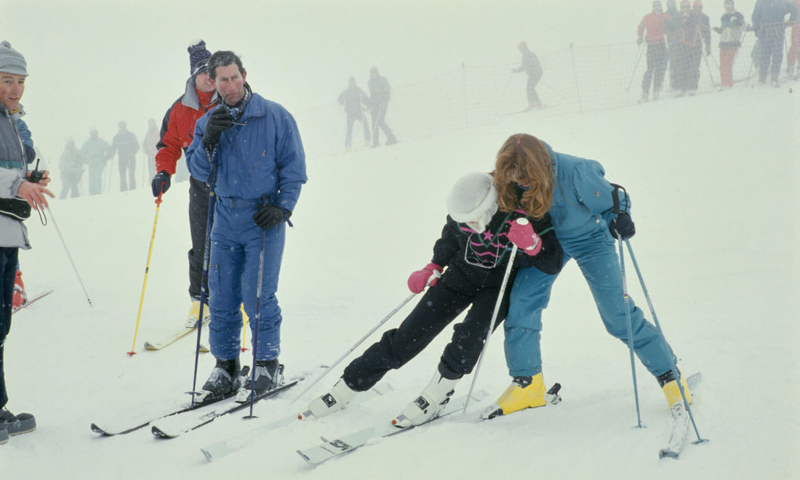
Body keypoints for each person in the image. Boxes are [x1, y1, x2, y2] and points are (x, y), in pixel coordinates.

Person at [301, 172, 563, 427]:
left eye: (473, 220)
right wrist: (434, 264)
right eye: (463, 220)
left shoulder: (527, 211)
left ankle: (439, 392)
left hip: (498, 287)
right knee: (409, 334)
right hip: (460, 277)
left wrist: (533, 244)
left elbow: (552, 262)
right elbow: (450, 237)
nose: (468, 225)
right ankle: (349, 384)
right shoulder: (464, 210)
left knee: (468, 338)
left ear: (490, 206)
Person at [487, 133, 692, 419]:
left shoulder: (576, 172)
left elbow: (615, 200)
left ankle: (669, 373)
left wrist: (619, 217)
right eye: (513, 177)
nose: (520, 183)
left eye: (525, 177)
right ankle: (528, 383)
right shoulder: (511, 177)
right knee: (522, 302)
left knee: (616, 315)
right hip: (546, 246)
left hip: (590, 241)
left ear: (538, 166)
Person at [186, 50, 307, 403]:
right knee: (221, 295)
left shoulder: (274, 116)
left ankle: (267, 361)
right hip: (224, 218)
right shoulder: (207, 120)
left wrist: (283, 208)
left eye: (234, 77)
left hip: (262, 219)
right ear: (213, 83)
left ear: (244, 74)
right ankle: (225, 365)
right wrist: (207, 139)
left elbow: (294, 168)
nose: (230, 85)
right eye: (222, 79)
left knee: (256, 295)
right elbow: (196, 171)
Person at [0, 41, 55, 443]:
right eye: (7, 80)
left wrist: (28, 182)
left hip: (6, 233)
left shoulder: (11, 120)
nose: (16, 89)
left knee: (1, 323)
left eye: (20, 82)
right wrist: (16, 184)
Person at [150, 40, 217, 329]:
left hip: (232, 184)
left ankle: (236, 297)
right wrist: (164, 173)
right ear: (194, 76)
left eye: (212, 71)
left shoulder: (228, 99)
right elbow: (168, 145)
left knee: (232, 242)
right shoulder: (179, 110)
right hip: (200, 184)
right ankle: (200, 300)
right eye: (203, 72)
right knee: (201, 242)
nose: (209, 77)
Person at [752, 0, 799, 86]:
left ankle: (774, 78)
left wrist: (790, 22)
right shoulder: (760, 2)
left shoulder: (782, 2)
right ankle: (762, 78)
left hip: (778, 33)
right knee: (764, 56)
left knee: (777, 55)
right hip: (764, 33)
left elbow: (795, 10)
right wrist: (757, 29)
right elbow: (755, 17)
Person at [675, 0, 711, 95]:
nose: (697, 9)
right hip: (685, 45)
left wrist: (708, 46)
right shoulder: (688, 15)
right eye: (695, 7)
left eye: (699, 7)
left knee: (694, 67)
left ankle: (692, 87)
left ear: (701, 8)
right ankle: (682, 88)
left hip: (697, 46)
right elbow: (682, 23)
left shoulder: (705, 18)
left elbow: (707, 33)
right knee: (683, 66)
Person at [638, 1, 671, 101]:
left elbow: (672, 26)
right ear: (653, 7)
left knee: (659, 70)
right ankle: (645, 92)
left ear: (661, 7)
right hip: (651, 46)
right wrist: (640, 37)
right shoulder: (647, 17)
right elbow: (641, 26)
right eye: (655, 6)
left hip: (662, 45)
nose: (657, 8)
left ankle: (656, 92)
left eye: (659, 6)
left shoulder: (666, 16)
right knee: (650, 69)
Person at [714, 0, 747, 88]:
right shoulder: (723, 16)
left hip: (733, 42)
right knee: (722, 63)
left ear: (733, 5)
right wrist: (719, 30)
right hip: (723, 42)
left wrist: (738, 22)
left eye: (729, 5)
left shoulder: (738, 15)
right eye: (726, 5)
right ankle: (724, 82)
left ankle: (728, 83)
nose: (728, 7)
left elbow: (744, 27)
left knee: (728, 63)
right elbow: (724, 29)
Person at [337, 76, 371, 150]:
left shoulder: (359, 91)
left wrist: (368, 105)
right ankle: (348, 145)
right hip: (350, 113)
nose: (352, 83)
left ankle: (367, 140)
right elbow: (340, 99)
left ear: (355, 82)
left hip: (359, 111)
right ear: (349, 83)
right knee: (349, 129)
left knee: (365, 125)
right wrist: (340, 102)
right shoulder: (346, 92)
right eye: (350, 82)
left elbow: (365, 99)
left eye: (353, 81)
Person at [367, 66, 397, 147]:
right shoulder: (370, 82)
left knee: (380, 121)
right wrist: (370, 104)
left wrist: (384, 102)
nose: (374, 74)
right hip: (375, 104)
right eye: (372, 72)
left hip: (382, 103)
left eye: (375, 72)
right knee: (374, 122)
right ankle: (376, 142)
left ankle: (391, 137)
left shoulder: (383, 80)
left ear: (377, 73)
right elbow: (372, 95)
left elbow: (387, 92)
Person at [512, 41, 544, 110]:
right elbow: (530, 65)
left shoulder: (526, 55)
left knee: (530, 88)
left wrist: (517, 70)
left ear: (523, 48)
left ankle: (532, 103)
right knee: (531, 88)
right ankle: (537, 103)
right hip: (537, 73)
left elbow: (524, 66)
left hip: (534, 74)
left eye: (520, 48)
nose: (519, 50)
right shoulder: (530, 54)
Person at [108, 120, 139, 192]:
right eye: (121, 126)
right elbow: (113, 147)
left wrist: (133, 152)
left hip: (131, 157)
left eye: (123, 126)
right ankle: (123, 190)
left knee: (131, 174)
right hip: (121, 158)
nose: (122, 127)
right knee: (122, 175)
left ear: (125, 126)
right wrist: (111, 154)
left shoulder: (131, 135)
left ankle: (133, 189)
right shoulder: (116, 137)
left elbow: (137, 146)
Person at [80, 128, 110, 195]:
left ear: (97, 133)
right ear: (90, 134)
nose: (94, 134)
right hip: (91, 161)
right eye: (92, 133)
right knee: (91, 178)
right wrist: (85, 160)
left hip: (100, 161)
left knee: (97, 176)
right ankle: (91, 193)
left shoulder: (101, 141)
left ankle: (98, 192)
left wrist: (106, 157)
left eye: (95, 132)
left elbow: (109, 148)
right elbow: (82, 153)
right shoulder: (87, 143)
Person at [664, 0, 683, 90]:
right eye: (669, 3)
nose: (671, 4)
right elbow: (664, 27)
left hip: (680, 41)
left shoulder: (679, 14)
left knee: (680, 61)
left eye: (672, 2)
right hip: (669, 41)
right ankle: (673, 84)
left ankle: (680, 83)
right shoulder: (664, 15)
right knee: (672, 63)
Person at [788, 0, 800, 79]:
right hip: (797, 25)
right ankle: (791, 66)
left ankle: (791, 66)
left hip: (796, 25)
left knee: (795, 46)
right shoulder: (794, 2)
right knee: (795, 46)